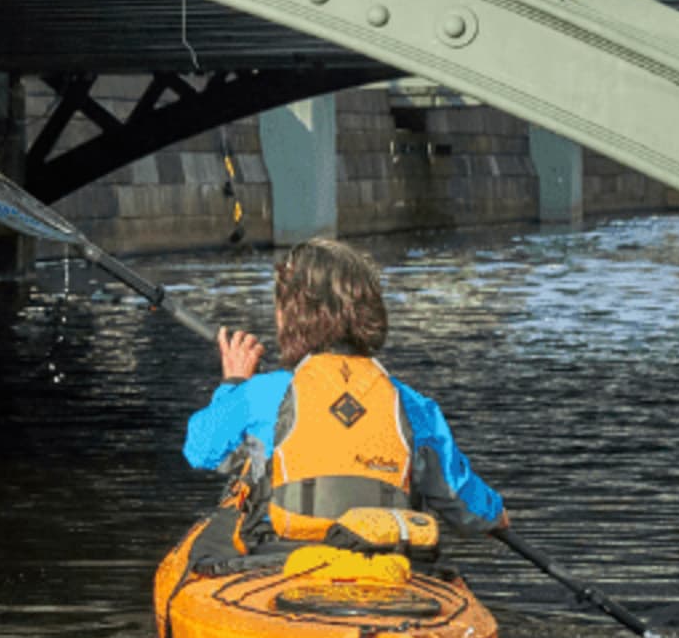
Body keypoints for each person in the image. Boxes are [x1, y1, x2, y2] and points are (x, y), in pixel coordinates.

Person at [176, 237, 507, 575]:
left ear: (289, 317)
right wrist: (495, 514)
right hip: (386, 560)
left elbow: (201, 450)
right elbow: (462, 502)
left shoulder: (262, 393)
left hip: (279, 557)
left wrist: (233, 386)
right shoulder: (411, 404)